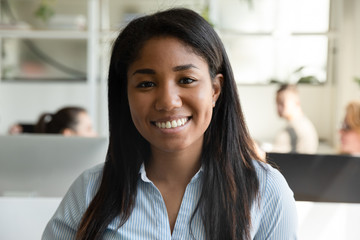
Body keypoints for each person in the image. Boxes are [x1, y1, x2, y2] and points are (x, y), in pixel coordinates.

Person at [42, 8, 297, 240]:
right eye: (146, 84)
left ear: (215, 89)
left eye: (186, 79)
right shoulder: (90, 191)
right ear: (126, 96)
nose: (167, 102)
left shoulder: (266, 190)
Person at [271, 84, 318, 153]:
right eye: (277, 103)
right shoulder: (297, 125)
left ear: (297, 103)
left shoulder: (298, 129)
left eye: (282, 103)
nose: (278, 108)